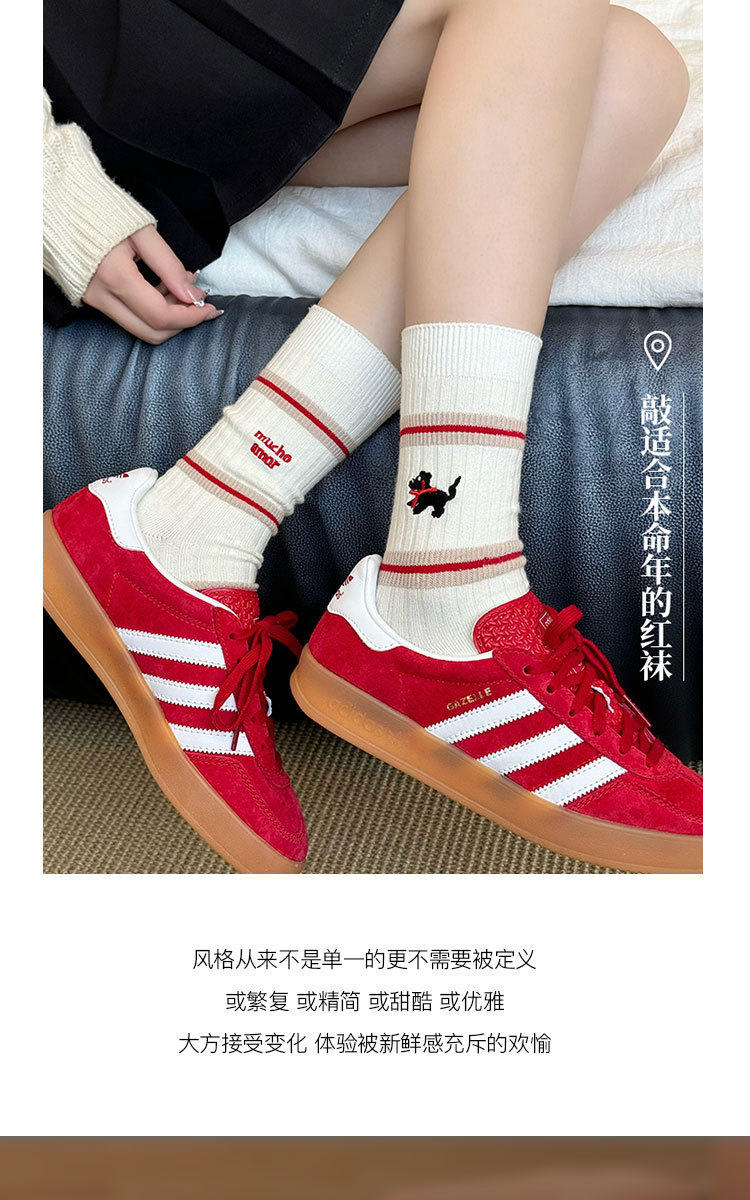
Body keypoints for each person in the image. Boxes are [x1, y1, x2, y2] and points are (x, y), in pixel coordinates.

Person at [43, 0, 701, 873]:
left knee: (632, 76)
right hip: (62, 77)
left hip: (170, 88)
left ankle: (207, 514)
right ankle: (451, 577)